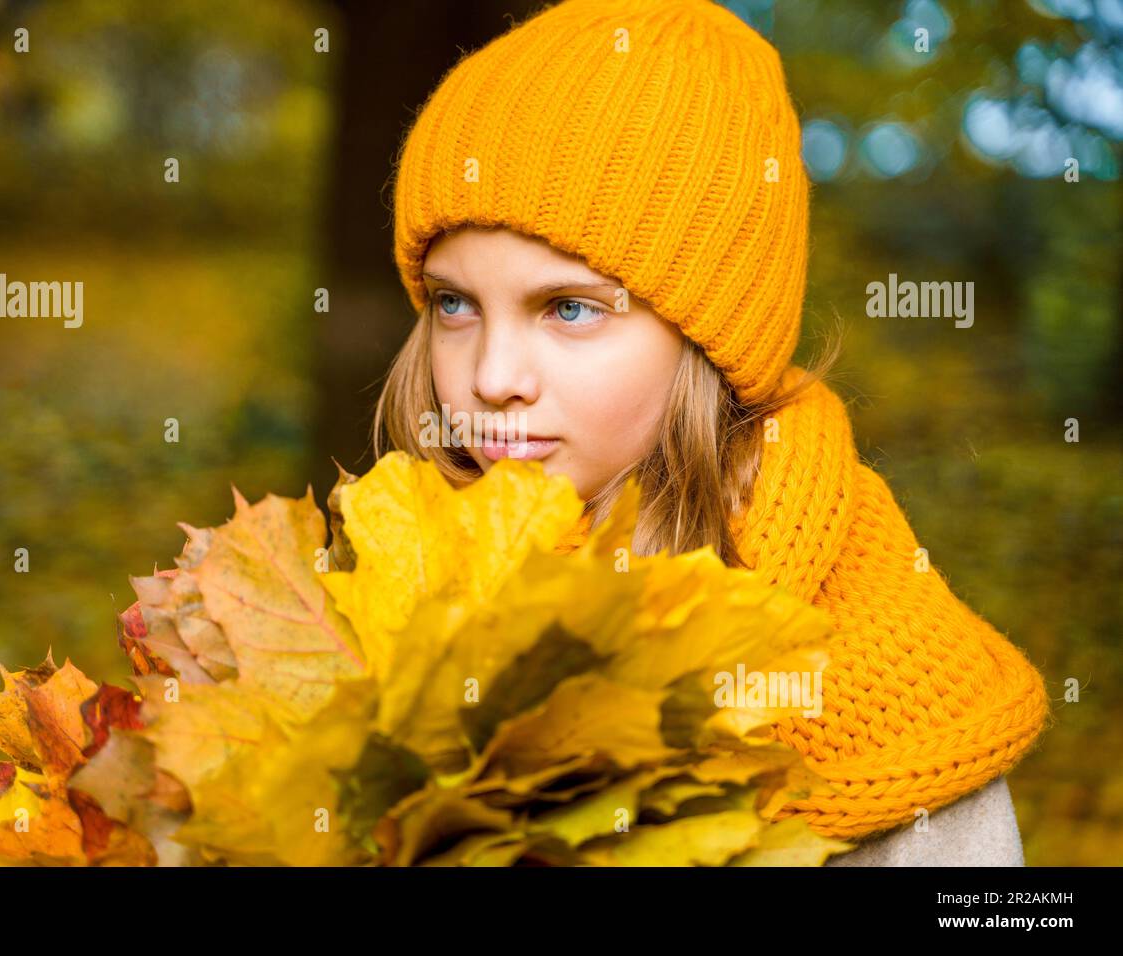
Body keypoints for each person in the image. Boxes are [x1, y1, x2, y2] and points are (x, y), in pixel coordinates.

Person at [370, 0, 1051, 865]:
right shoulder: (387, 597)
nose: (492, 377)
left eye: (570, 308)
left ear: (709, 337)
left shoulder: (881, 689)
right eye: (453, 302)